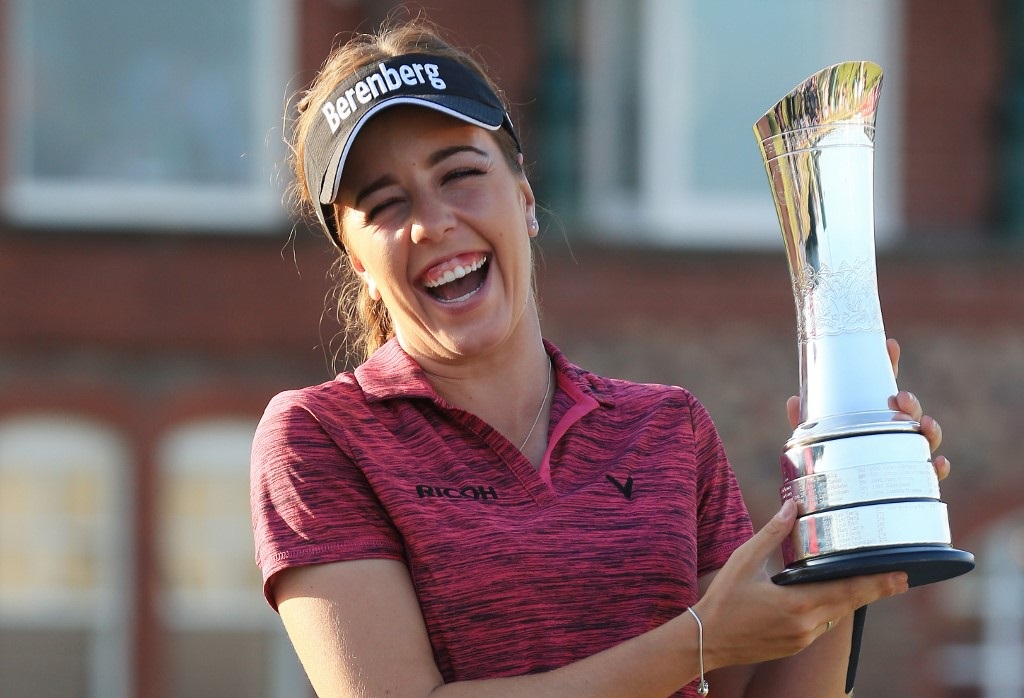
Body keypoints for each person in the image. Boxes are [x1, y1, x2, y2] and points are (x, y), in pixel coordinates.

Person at [250, 17, 950, 698]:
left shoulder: (667, 426)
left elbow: (749, 681)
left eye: (460, 173)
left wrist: (841, 534)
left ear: (525, 200)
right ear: (359, 263)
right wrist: (699, 641)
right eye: (385, 205)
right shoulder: (320, 436)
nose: (431, 223)